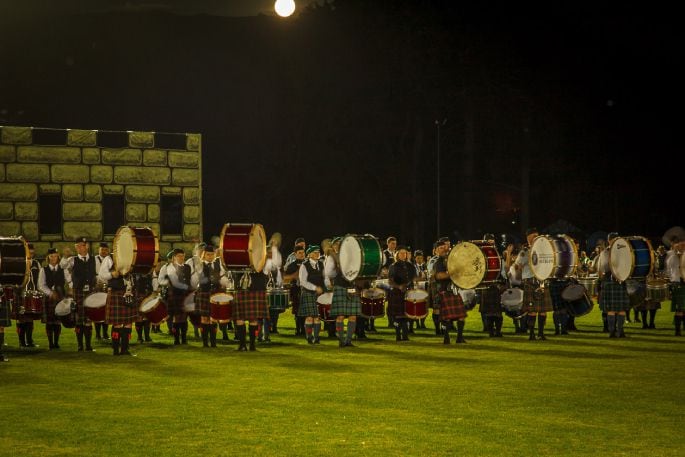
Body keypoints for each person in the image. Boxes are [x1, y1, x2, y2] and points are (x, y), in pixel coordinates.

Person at [515, 228, 552, 340]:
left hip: (542, 280)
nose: (536, 238)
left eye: (537, 236)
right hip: (530, 281)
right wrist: (520, 267)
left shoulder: (544, 251)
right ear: (528, 239)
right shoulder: (524, 252)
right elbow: (517, 266)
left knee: (543, 311)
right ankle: (531, 334)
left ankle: (541, 333)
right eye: (533, 237)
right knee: (532, 311)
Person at [63, 237, 97, 351]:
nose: (78, 248)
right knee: (79, 318)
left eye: (81, 245)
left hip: (90, 292)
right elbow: (63, 268)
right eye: (76, 246)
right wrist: (70, 283)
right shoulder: (72, 260)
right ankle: (80, 345)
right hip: (78, 291)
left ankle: (88, 345)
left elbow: (97, 273)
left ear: (86, 246)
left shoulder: (94, 259)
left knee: (88, 318)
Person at [325, 238, 361, 347]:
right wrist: (337, 268)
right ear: (334, 246)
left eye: (340, 244)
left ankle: (348, 341)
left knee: (353, 316)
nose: (339, 246)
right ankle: (341, 340)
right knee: (340, 316)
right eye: (336, 244)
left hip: (352, 287)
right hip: (340, 286)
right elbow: (329, 273)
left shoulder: (353, 257)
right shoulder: (332, 258)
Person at [432, 237, 467, 343]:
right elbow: (439, 276)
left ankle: (459, 337)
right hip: (444, 291)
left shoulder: (451, 259)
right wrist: (452, 273)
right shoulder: (438, 262)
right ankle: (446, 338)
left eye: (444, 247)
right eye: (440, 248)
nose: (443, 249)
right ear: (437, 250)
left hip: (454, 290)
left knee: (461, 316)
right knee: (446, 317)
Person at [191, 244, 227, 348]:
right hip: (204, 292)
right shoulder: (200, 265)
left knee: (214, 318)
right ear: (204, 255)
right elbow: (195, 279)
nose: (210, 256)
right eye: (208, 254)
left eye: (212, 254)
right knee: (204, 318)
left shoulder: (218, 264)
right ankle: (205, 343)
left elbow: (222, 276)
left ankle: (214, 343)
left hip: (215, 293)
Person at [597, 232, 630, 338]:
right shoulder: (619, 251)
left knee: (619, 309)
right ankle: (615, 331)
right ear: (610, 240)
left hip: (611, 281)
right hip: (615, 280)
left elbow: (601, 269)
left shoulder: (605, 252)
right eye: (615, 239)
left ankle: (617, 331)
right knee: (615, 309)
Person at [38, 248, 70, 350]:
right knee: (49, 322)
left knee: (57, 321)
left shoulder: (63, 269)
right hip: (49, 298)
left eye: (55, 256)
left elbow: (69, 281)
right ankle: (50, 343)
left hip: (60, 297)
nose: (53, 258)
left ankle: (56, 342)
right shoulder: (44, 269)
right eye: (51, 256)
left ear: (58, 257)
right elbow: (41, 285)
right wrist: (50, 293)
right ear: (48, 257)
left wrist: (70, 289)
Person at [233, 264, 269, 352]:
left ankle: (252, 345)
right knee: (239, 318)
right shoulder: (240, 258)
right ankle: (242, 345)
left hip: (257, 288)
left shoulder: (262, 258)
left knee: (253, 319)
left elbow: (270, 267)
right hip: (241, 287)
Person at [387, 246, 416, 341]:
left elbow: (414, 279)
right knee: (398, 315)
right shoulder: (393, 266)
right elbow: (390, 281)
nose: (404, 255)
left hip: (408, 291)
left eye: (405, 253)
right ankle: (398, 335)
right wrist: (399, 287)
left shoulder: (411, 266)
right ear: (397, 255)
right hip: (397, 291)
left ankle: (405, 335)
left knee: (407, 314)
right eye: (401, 253)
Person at [16, 243, 42, 348]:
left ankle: (30, 341)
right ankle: (22, 342)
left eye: (32, 251)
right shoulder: (19, 263)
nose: (30, 253)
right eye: (28, 251)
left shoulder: (36, 263)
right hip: (21, 294)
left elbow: (40, 279)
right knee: (21, 319)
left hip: (32, 294)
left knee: (30, 318)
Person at [298, 245, 325, 344]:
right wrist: (315, 288)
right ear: (309, 255)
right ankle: (309, 337)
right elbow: (303, 282)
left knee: (317, 317)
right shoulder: (304, 265)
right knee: (309, 317)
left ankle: (316, 338)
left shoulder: (321, 264)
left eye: (318, 252)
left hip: (319, 294)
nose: (317, 254)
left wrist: (327, 287)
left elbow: (325, 278)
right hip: (308, 292)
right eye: (315, 252)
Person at [166, 248, 192, 345]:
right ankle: (176, 339)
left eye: (182, 256)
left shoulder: (187, 267)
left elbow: (188, 280)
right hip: (175, 294)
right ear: (174, 257)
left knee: (184, 317)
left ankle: (184, 339)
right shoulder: (170, 267)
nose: (181, 258)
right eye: (179, 256)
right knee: (176, 317)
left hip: (185, 294)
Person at [283, 245, 306, 336]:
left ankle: (304, 330)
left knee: (305, 310)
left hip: (306, 289)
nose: (301, 254)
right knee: (297, 310)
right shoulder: (291, 265)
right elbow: (286, 278)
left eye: (303, 253)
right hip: (295, 289)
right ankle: (298, 329)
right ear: (295, 254)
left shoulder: (307, 264)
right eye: (299, 253)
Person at [665, 237, 684, 335]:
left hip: (682, 281)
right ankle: (677, 331)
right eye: (675, 244)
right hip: (677, 282)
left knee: (682, 308)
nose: (678, 246)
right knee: (679, 308)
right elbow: (668, 269)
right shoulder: (670, 255)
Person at [93, 242, 111, 341]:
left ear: (108, 250)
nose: (103, 251)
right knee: (97, 310)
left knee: (106, 311)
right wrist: (96, 280)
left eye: (105, 249)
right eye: (102, 249)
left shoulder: (110, 260)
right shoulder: (94, 259)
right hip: (97, 287)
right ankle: (98, 334)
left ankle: (105, 333)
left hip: (108, 287)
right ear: (98, 250)